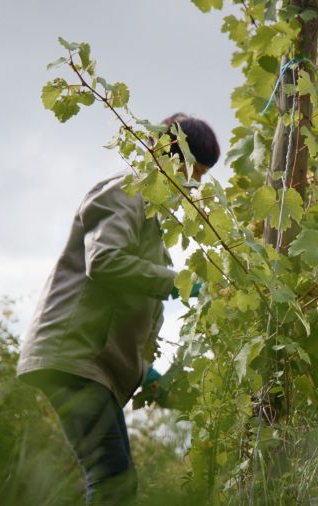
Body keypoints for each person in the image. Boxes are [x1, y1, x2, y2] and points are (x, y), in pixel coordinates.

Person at [17, 113, 219, 505]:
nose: (192, 186)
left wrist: (147, 374)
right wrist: (179, 283)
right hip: (72, 357)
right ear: (165, 154)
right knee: (113, 481)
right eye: (190, 172)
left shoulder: (150, 218)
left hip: (86, 359)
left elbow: (118, 312)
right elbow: (105, 261)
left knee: (116, 479)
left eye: (200, 177)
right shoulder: (125, 192)